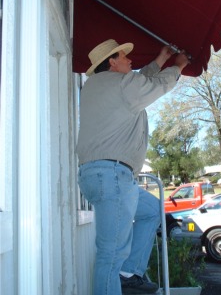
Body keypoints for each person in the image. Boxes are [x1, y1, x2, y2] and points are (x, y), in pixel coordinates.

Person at [76, 38, 189, 295]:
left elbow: (140, 80)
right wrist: (178, 66)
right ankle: (121, 272)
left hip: (98, 175)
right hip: (113, 176)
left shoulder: (96, 85)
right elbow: (155, 85)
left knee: (151, 209)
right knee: (110, 255)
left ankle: (128, 273)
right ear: (112, 62)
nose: (130, 60)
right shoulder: (123, 85)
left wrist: (161, 58)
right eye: (124, 57)